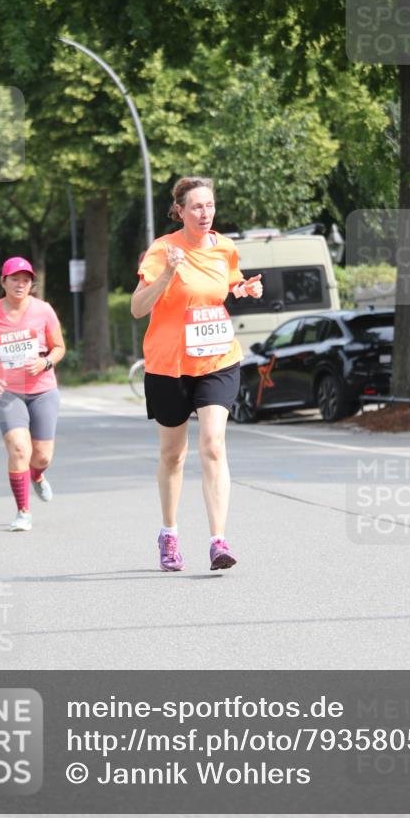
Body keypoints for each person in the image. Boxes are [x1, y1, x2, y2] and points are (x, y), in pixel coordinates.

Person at [131, 177, 263, 572]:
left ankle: (218, 540)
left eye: (209, 205)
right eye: (196, 207)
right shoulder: (163, 250)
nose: (205, 213)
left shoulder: (225, 247)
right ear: (180, 211)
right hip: (168, 365)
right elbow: (138, 308)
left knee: (214, 444)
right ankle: (169, 533)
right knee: (173, 455)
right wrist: (169, 273)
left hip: (217, 359)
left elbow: (225, 285)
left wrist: (244, 290)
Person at [0, 257, 65, 531]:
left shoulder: (44, 310)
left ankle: (37, 475)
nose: (21, 284)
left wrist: (45, 361)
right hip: (7, 391)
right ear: (3, 282)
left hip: (43, 390)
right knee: (18, 448)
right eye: (15, 279)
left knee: (42, 457)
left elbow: (59, 347)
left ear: (31, 284)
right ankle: (23, 511)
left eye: (26, 280)